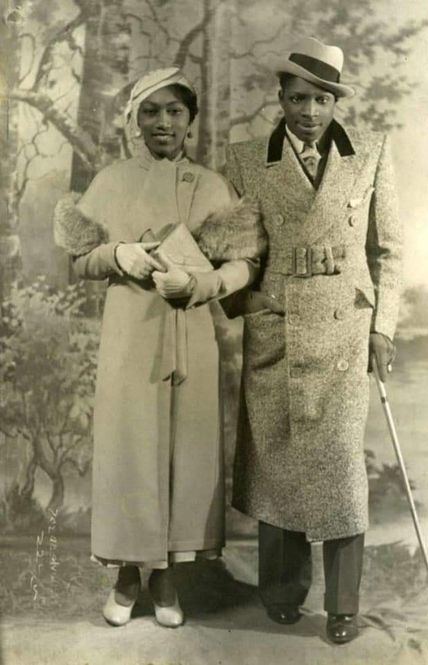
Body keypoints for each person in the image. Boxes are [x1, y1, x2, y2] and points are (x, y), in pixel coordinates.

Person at [54, 67, 264, 628]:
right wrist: (117, 254)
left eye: (175, 112)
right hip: (129, 333)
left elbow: (245, 260)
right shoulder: (112, 180)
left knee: (185, 453)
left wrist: (207, 284)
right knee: (130, 450)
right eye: (151, 112)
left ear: (190, 120)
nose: (163, 122)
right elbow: (77, 260)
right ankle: (126, 578)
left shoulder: (211, 184)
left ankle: (169, 578)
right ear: (134, 120)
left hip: (190, 333)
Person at [224, 37, 403, 644]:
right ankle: (280, 594)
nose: (309, 112)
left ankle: (344, 606)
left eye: (321, 99)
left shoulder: (371, 153)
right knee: (279, 464)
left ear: (335, 102)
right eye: (298, 98)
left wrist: (383, 328)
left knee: (340, 473)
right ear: (281, 97)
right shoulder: (247, 159)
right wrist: (240, 296)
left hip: (345, 335)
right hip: (277, 330)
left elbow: (389, 251)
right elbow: (239, 251)